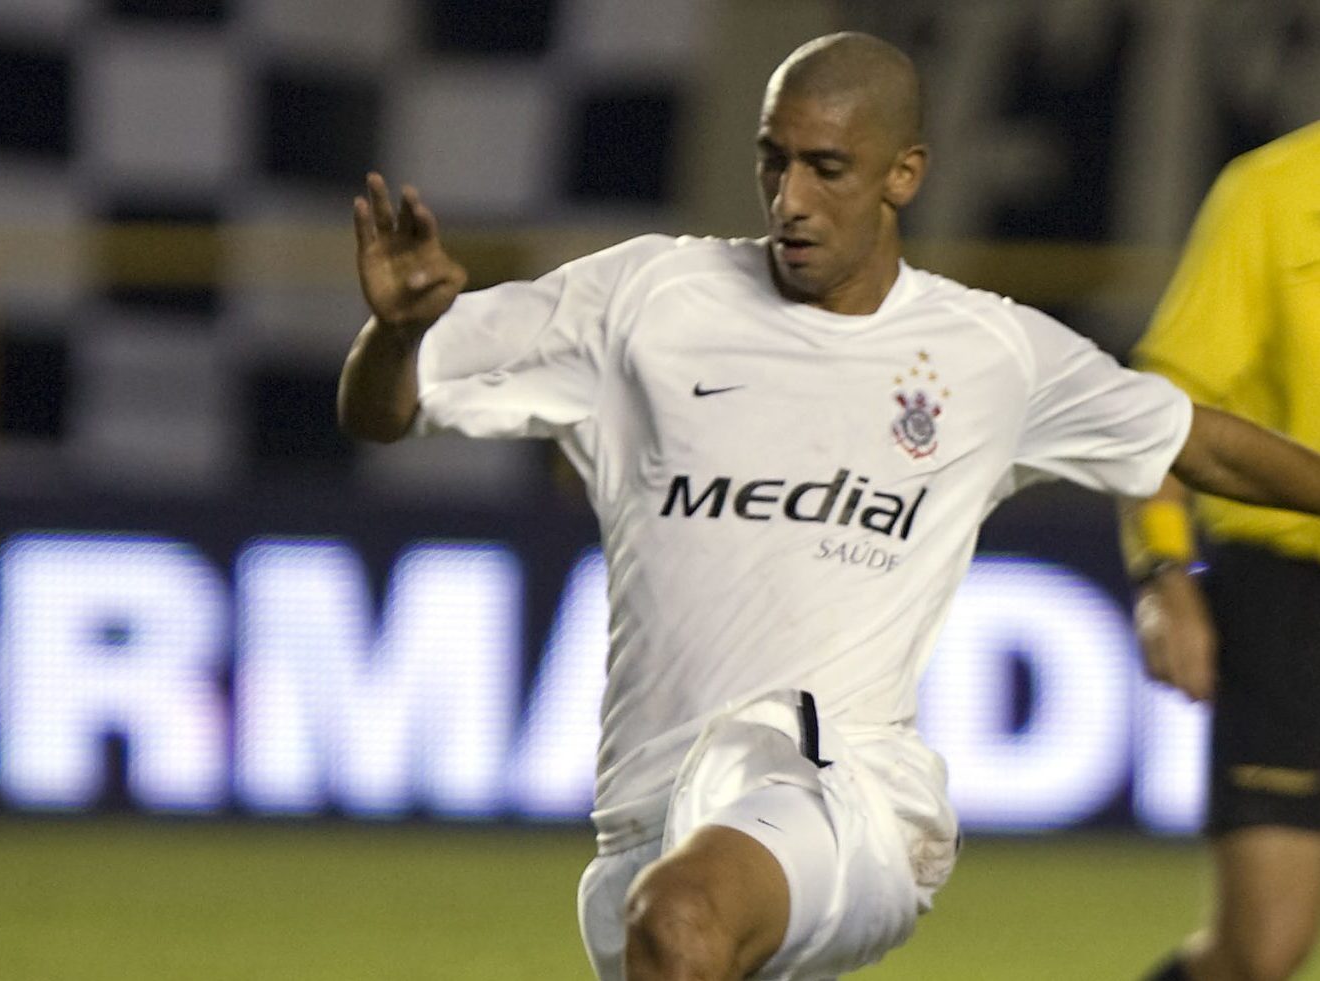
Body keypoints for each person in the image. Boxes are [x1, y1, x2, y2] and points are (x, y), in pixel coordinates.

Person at [339, 31, 1320, 981]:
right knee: (670, 919)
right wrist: (394, 335)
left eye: (827, 168)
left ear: (905, 174)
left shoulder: (990, 354)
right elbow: (383, 412)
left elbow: (1203, 443)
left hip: (845, 793)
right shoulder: (641, 302)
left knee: (683, 921)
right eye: (773, 163)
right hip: (648, 817)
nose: (791, 201)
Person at [1124, 121, 1320, 981]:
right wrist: (1163, 572)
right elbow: (1165, 410)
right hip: (1290, 600)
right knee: (1259, 950)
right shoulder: (1273, 189)